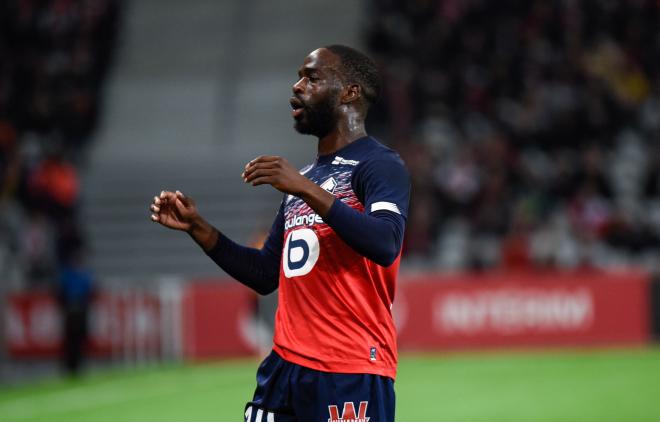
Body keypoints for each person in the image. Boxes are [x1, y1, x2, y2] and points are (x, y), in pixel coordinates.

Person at [150, 45, 410, 422]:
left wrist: (304, 189)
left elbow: (386, 243)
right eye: (300, 76)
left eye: (312, 77)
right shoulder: (305, 179)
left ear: (350, 93)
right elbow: (264, 274)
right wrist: (198, 227)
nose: (297, 86)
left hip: (350, 368)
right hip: (284, 368)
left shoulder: (380, 165)